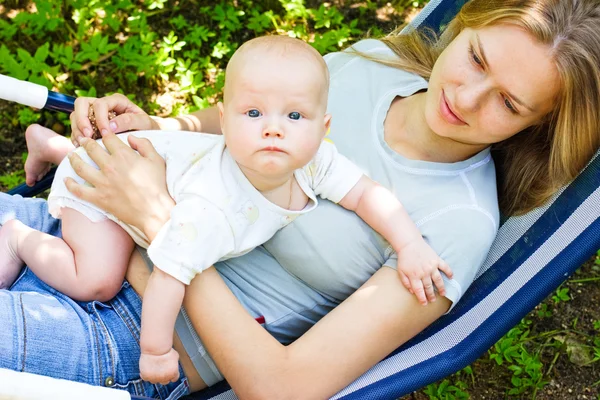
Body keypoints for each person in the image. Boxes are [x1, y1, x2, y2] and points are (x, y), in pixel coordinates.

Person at [1, 0, 599, 398]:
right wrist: (154, 124)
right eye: (475, 58)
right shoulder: (375, 64)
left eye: (509, 102)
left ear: (538, 127)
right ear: (464, 25)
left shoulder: (455, 224)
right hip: (81, 230)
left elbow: (283, 388)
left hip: (127, 336)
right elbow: (243, 123)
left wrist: (158, 226)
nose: (466, 98)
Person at [0, 36, 452, 383]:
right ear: (226, 119)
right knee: (94, 278)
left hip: (134, 186)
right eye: (253, 114)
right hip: (105, 198)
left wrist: (410, 244)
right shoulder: (211, 209)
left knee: (101, 264)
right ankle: (20, 235)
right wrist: (155, 352)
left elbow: (366, 194)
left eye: (294, 117)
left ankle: (53, 152)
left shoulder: (315, 162)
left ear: (323, 127)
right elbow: (169, 280)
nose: (274, 129)